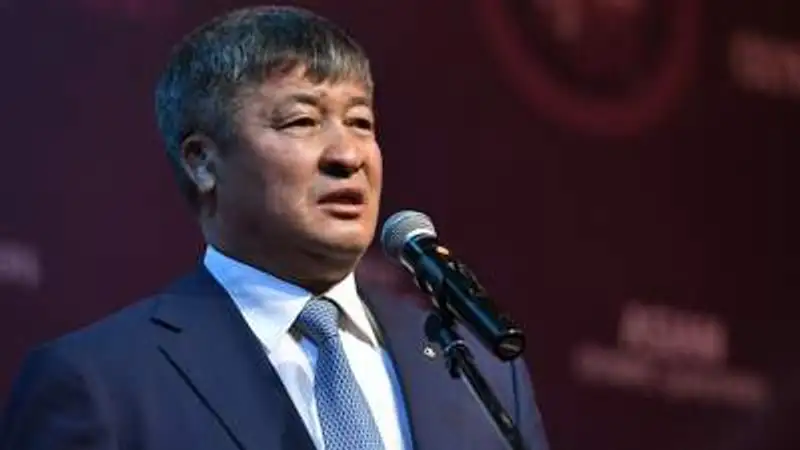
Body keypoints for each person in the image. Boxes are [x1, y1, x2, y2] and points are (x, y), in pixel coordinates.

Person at [0, 6, 550, 450]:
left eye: (361, 122)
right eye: (302, 121)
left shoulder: (480, 373)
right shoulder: (98, 384)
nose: (348, 155)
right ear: (202, 162)